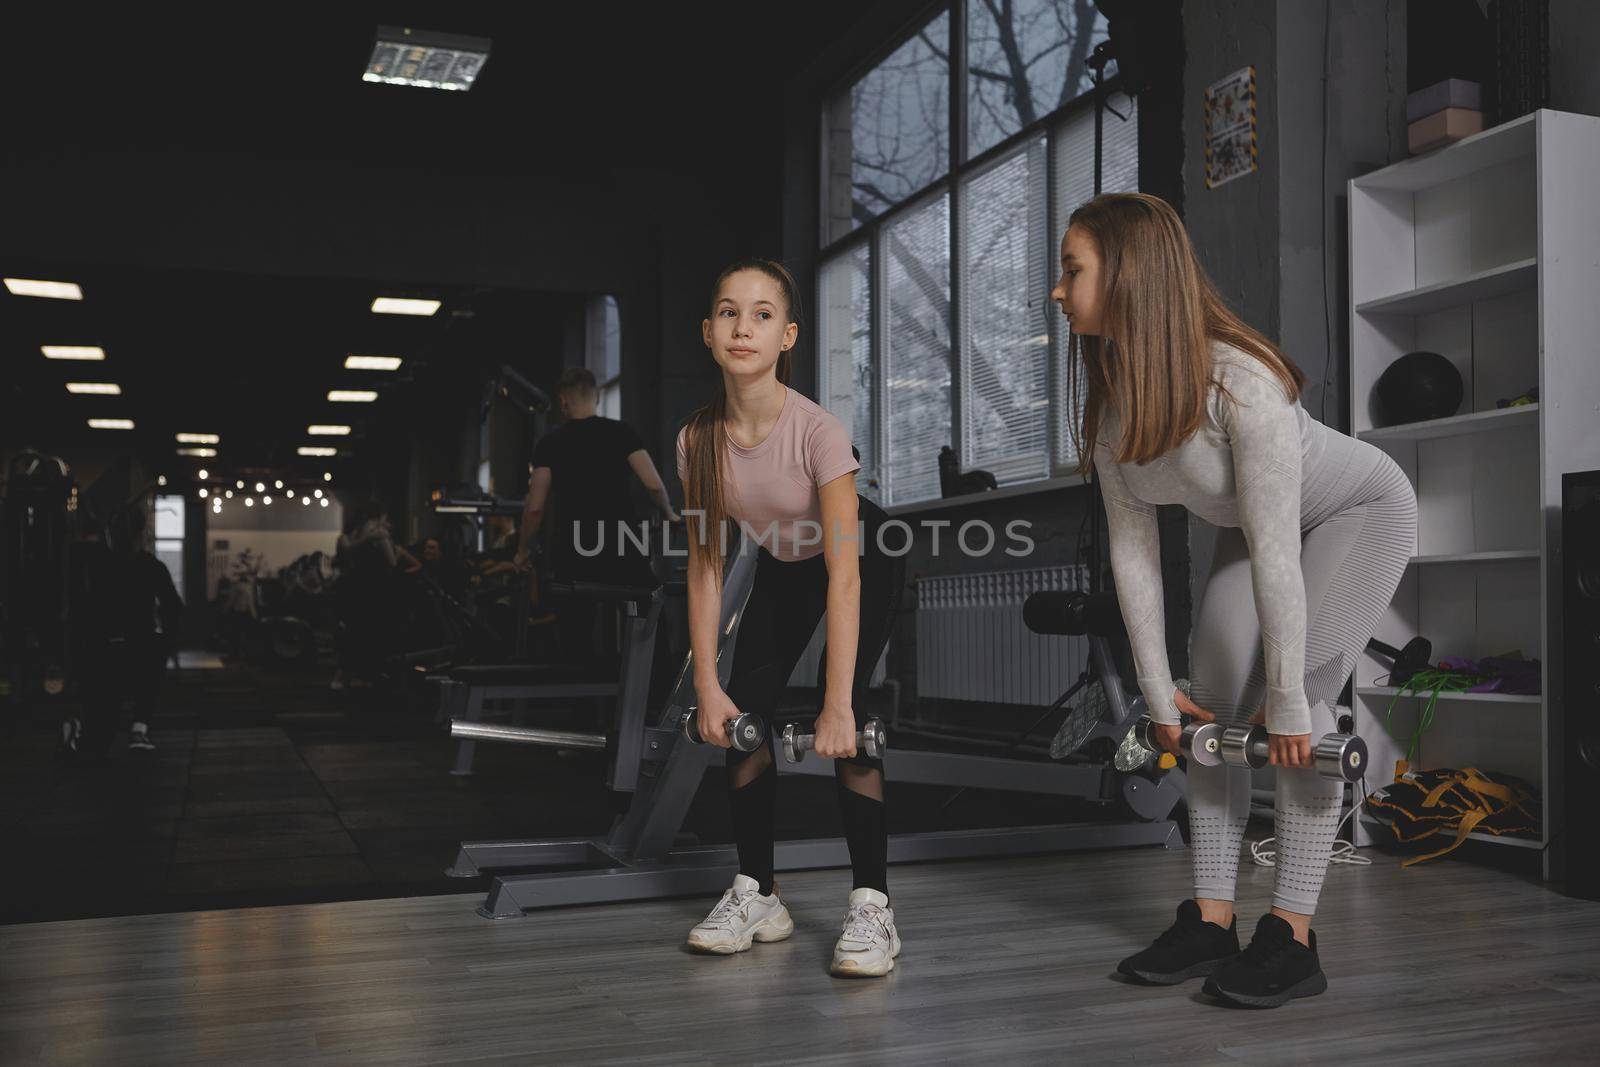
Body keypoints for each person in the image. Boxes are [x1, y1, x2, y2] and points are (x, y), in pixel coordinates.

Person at [1053, 193, 1416, 1007]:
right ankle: (1212, 917)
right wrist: (1156, 696)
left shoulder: (1243, 383)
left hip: (1354, 513)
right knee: (1209, 706)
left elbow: (1283, 551)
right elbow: (1133, 553)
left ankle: (1292, 935)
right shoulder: (1116, 399)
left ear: (1129, 273)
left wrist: (1286, 699)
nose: (1057, 287)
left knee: (1305, 707)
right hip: (1260, 531)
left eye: (1071, 268)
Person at [677, 259, 901, 977]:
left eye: (763, 313)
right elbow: (707, 564)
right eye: (728, 311)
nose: (744, 325)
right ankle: (760, 892)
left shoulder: (818, 431)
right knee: (744, 713)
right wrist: (708, 686)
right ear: (708, 333)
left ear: (788, 336)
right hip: (782, 564)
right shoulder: (696, 441)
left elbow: (844, 572)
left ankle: (873, 905)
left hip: (866, 557)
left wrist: (834, 704)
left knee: (856, 715)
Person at [514, 367, 678, 666]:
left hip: (575, 549)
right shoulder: (622, 432)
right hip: (622, 543)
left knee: (575, 634)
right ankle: (659, 698)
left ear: (563, 400)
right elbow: (653, 484)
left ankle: (582, 705)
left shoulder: (550, 443)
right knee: (648, 619)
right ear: (597, 396)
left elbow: (535, 507)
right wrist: (668, 513)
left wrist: (523, 550)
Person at [70, 503, 182, 755]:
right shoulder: (151, 566)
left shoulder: (98, 565)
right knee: (144, 685)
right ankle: (139, 728)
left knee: (105, 713)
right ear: (141, 533)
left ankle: (94, 733)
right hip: (140, 642)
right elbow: (173, 608)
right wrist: (167, 641)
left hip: (104, 643)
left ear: (112, 532)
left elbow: (82, 606)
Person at [332, 501, 402, 690]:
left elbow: (344, 553)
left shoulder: (348, 538)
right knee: (368, 633)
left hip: (353, 590)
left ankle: (349, 676)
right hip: (374, 590)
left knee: (355, 633)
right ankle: (362, 676)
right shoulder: (377, 535)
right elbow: (392, 561)